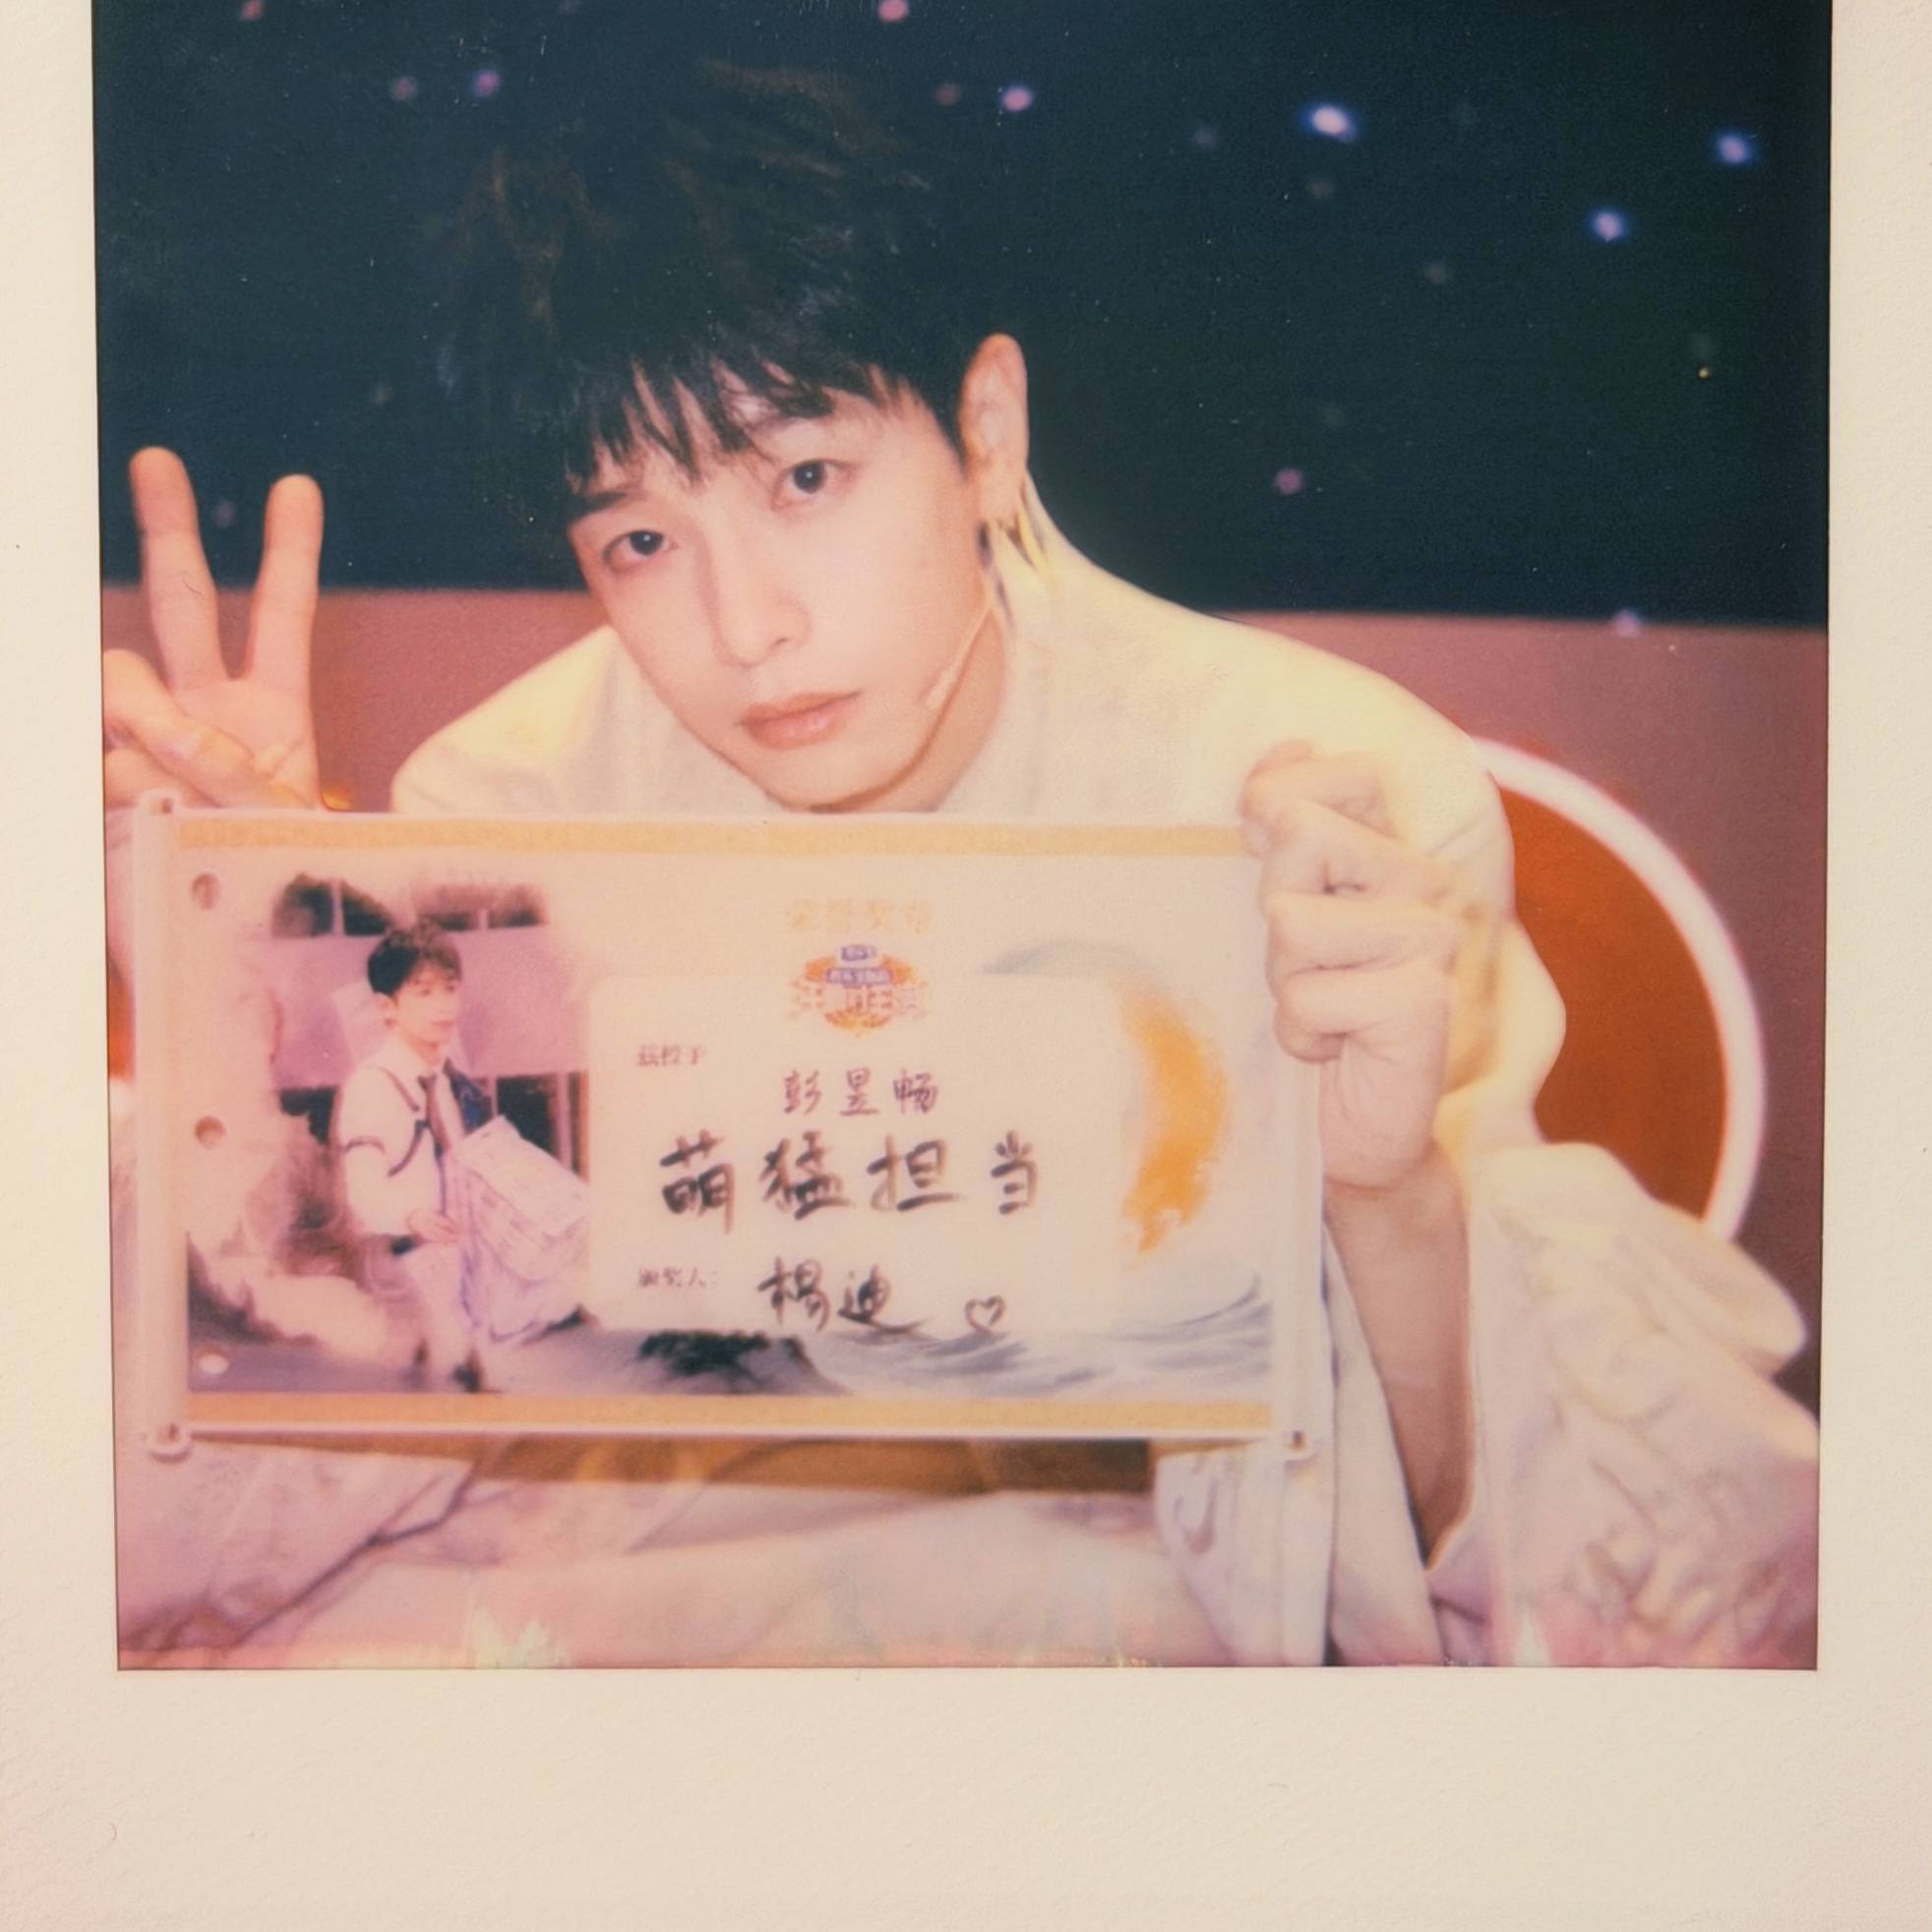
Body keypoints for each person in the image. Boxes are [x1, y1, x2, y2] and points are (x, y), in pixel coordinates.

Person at [101, 64, 1816, 1666]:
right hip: (694, 1624)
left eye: (805, 475)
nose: (745, 626)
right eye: (638, 537)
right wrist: (250, 1014)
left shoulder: (1308, 799)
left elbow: (1457, 1574)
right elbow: (412, 1434)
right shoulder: (508, 816)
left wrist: (1385, 1199)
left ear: (985, 427)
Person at [333, 922, 493, 1393]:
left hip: (453, 1267)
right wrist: (412, 1216)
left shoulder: (445, 1079)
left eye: (450, 989)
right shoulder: (372, 1086)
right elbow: (363, 1190)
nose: (443, 1005)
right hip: (405, 1270)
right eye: (424, 992)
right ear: (387, 1007)